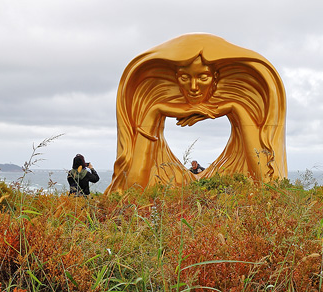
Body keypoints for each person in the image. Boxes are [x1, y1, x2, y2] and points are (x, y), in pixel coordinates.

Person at [105, 33, 287, 192]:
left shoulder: (231, 172)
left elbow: (266, 184)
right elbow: (134, 189)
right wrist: (155, 111)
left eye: (203, 77)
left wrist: (235, 108)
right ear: (175, 80)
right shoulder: (167, 175)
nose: (193, 87)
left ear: (215, 80)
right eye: (185, 78)